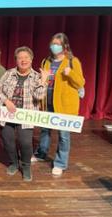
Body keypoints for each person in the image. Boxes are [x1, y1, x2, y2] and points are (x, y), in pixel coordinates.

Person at [32, 33, 85, 176]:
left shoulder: (73, 61)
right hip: (47, 102)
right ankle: (41, 153)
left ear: (64, 46)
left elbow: (80, 83)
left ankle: (60, 163)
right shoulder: (46, 61)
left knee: (63, 135)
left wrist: (71, 74)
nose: (54, 46)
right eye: (53, 44)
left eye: (58, 44)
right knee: (45, 130)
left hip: (64, 105)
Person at [0, 46, 48, 182]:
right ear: (16, 60)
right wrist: (6, 101)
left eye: (26, 57)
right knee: (8, 142)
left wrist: (43, 81)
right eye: (20, 58)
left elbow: (39, 96)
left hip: (26, 116)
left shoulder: (37, 77)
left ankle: (26, 166)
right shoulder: (8, 73)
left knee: (25, 143)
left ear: (31, 59)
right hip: (7, 114)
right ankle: (14, 163)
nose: (23, 60)